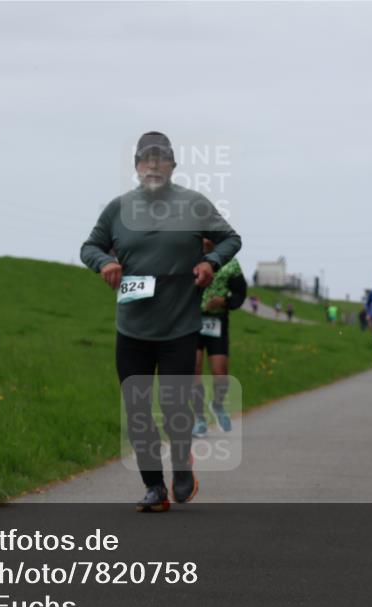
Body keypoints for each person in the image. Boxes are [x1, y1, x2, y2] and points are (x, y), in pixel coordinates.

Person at [81, 131, 242, 512]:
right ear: (136, 166)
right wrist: (105, 263)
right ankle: (154, 486)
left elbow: (230, 239)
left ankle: (181, 464)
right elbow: (89, 246)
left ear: (172, 165)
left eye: (161, 158)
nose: (153, 164)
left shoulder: (193, 204)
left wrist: (209, 262)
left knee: (174, 408)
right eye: (146, 158)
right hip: (132, 328)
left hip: (180, 327)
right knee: (137, 411)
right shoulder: (118, 209)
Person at [192, 240, 247, 437]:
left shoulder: (229, 262)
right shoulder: (189, 255)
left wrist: (223, 301)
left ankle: (217, 404)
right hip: (192, 321)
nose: (207, 240)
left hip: (217, 322)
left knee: (220, 373)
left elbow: (241, 293)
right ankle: (199, 419)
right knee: (194, 370)